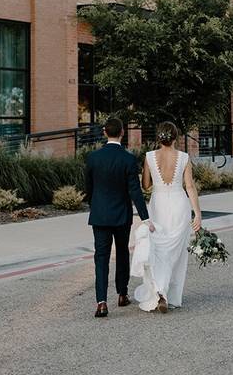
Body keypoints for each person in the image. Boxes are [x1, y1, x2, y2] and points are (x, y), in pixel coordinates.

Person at [84, 117, 153, 319]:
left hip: (99, 215)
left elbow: (89, 188)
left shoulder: (93, 158)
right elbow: (135, 192)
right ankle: (122, 294)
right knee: (122, 253)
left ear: (105, 132)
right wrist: (145, 218)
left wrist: (94, 205)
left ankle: (101, 302)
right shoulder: (128, 159)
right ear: (122, 133)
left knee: (101, 257)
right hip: (122, 215)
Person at [132, 121, 202, 313]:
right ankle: (170, 296)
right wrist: (197, 213)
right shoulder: (184, 157)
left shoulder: (149, 157)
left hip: (158, 205)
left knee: (157, 250)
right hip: (179, 205)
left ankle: (158, 291)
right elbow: (189, 186)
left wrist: (150, 173)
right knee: (177, 255)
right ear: (175, 137)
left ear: (159, 137)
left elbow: (145, 185)